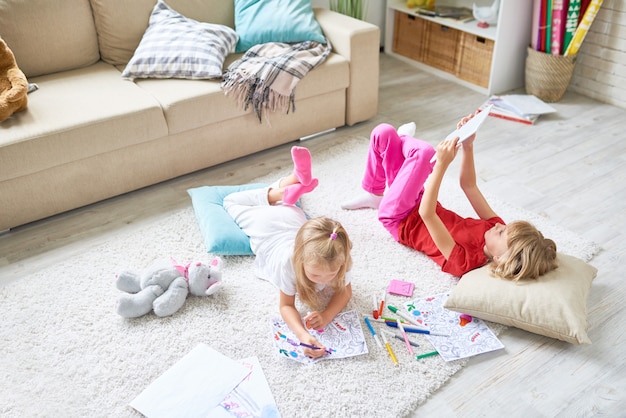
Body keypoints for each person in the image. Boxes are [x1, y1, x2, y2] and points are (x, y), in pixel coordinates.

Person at [341, 114, 558, 280]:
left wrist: (442, 165)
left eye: (502, 232)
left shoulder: (464, 263)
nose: (500, 225)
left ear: (500, 258)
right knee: (383, 133)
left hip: (399, 219)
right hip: (415, 201)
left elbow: (427, 214)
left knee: (424, 154)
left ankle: (404, 138)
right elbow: (469, 185)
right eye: (505, 226)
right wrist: (468, 145)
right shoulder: (495, 226)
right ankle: (374, 192)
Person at [224, 146, 353, 359]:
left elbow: (345, 291)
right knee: (230, 200)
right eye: (315, 275)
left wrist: (327, 315)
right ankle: (283, 191)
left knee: (286, 204)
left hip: (292, 216)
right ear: (299, 260)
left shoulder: (339, 253)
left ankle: (291, 185)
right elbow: (285, 305)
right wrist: (302, 335)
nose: (325, 280)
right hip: (266, 229)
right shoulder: (288, 263)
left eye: (331, 274)